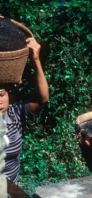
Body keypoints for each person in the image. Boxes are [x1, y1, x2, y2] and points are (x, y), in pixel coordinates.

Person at [0, 37, 49, 183]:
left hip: (12, 191)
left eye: (2, 95)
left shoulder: (14, 114)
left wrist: (36, 61)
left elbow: (42, 99)